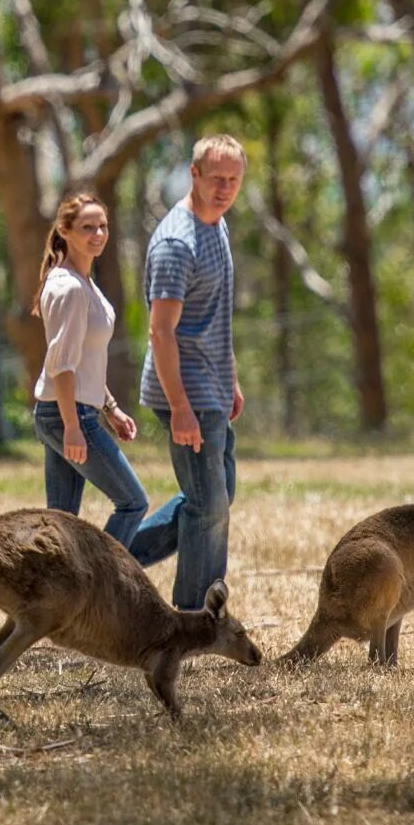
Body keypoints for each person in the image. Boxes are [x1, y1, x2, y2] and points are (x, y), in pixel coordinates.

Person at [127, 134, 247, 610]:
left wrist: (231, 378)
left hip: (213, 386)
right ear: (193, 175)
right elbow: (161, 334)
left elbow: (216, 314)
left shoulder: (217, 225)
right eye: (216, 178)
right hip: (184, 390)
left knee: (215, 497)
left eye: (234, 180)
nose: (224, 188)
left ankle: (106, 562)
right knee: (208, 505)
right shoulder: (176, 243)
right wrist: (180, 408)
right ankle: (196, 616)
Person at [30, 192, 151, 547]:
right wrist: (72, 426)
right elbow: (62, 365)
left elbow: (85, 361)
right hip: (67, 414)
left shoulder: (83, 283)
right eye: (87, 227)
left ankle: (57, 596)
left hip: (71, 410)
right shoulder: (69, 288)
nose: (98, 234)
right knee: (133, 502)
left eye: (103, 226)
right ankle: (100, 583)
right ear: (65, 231)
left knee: (61, 525)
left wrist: (110, 408)